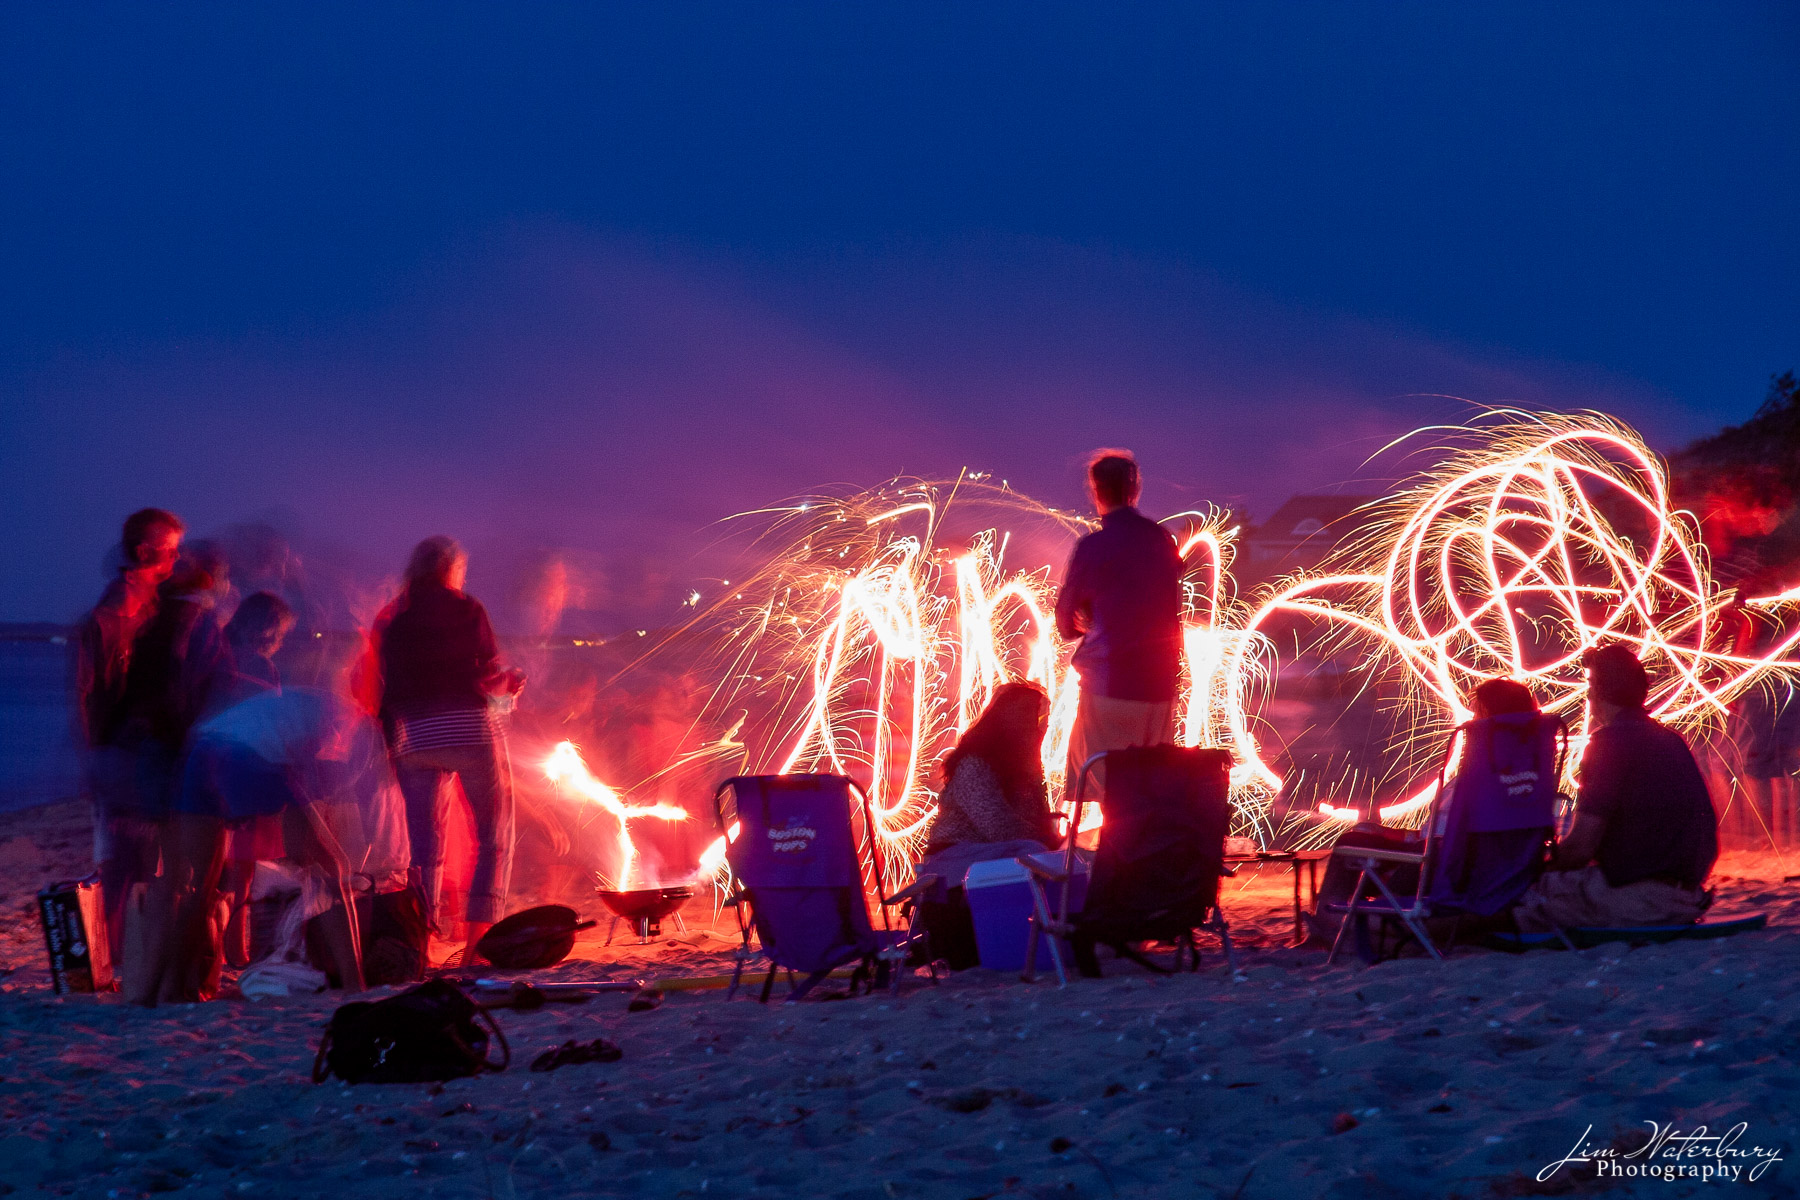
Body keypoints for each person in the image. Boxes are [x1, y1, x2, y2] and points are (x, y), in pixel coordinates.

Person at [376, 537, 525, 966]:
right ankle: (475, 951)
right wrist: (509, 682)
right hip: (468, 730)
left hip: (412, 738)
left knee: (423, 845)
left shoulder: (397, 618)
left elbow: (391, 681)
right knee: (494, 837)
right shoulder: (466, 608)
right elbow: (486, 674)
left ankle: (417, 945)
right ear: (451, 569)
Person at [1512, 644, 1717, 932]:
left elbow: (1581, 848)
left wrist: (1537, 865)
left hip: (1639, 899)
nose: (1587, 693)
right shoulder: (1670, 739)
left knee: (1513, 896)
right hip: (1689, 894)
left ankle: (1437, 935)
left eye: (1590, 684)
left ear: (1597, 690)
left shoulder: (1609, 744)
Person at [73, 508, 184, 963]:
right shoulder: (115, 613)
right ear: (145, 552)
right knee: (125, 860)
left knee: (138, 857)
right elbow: (88, 694)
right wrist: (94, 759)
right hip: (123, 751)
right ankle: (118, 955)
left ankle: (128, 953)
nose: (177, 560)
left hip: (134, 749)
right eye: (171, 551)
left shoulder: (149, 607)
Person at [1054, 450, 1183, 796]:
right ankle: (1139, 848)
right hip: (1160, 688)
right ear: (1135, 491)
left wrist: (1083, 617)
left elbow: (1065, 623)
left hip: (1108, 685)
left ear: (1096, 492)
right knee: (1147, 790)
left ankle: (1111, 850)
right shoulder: (1162, 540)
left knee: (1101, 785)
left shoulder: (1094, 547)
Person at [916, 682, 1059, 969]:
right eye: (1032, 719)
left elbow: (1032, 821)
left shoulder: (1017, 765)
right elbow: (997, 828)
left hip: (990, 854)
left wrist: (1033, 773)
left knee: (1059, 856)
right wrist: (1042, 834)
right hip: (955, 860)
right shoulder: (974, 765)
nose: (1038, 727)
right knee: (1034, 852)